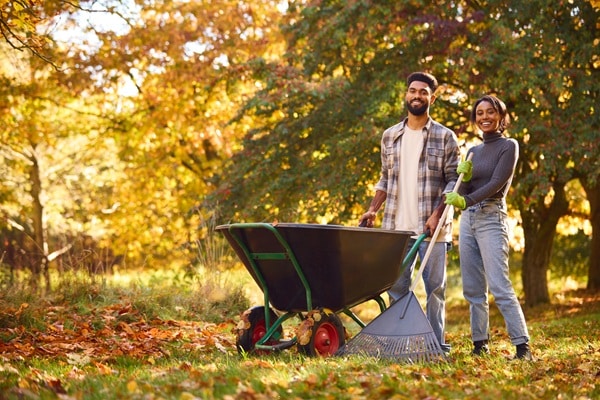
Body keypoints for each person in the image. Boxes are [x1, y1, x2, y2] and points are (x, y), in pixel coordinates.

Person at [359, 71, 460, 353]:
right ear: (406, 94)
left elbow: (454, 181)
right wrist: (372, 209)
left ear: (432, 98)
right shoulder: (390, 136)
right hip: (396, 229)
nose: (417, 95)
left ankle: (435, 346)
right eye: (413, 91)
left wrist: (438, 213)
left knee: (435, 292)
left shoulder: (445, 137)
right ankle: (398, 346)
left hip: (433, 231)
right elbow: (385, 178)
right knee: (397, 290)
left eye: (423, 92)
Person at [444, 94, 533, 360]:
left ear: (501, 117)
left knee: (499, 285)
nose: (485, 117)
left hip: (492, 216)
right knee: (473, 287)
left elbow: (497, 182)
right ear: (475, 119)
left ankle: (522, 346)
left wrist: (466, 198)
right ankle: (480, 344)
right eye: (479, 113)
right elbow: (469, 187)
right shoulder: (473, 150)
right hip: (468, 220)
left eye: (490, 112)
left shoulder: (509, 146)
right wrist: (466, 180)